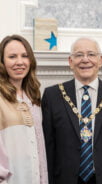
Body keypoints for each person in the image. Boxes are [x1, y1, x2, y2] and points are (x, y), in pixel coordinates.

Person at [42, 37, 102, 184]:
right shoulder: (52, 96)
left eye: (91, 54)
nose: (85, 60)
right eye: (78, 55)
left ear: (100, 60)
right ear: (70, 62)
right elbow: (48, 147)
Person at [0, 34, 48, 184]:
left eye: (25, 56)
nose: (19, 62)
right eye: (12, 57)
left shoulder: (34, 98)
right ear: (2, 62)